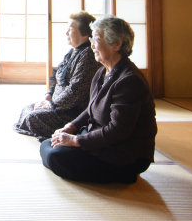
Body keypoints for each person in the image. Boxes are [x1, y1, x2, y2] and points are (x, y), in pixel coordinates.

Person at [40, 15, 157, 184]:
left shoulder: (129, 81)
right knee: (48, 144)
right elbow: (91, 108)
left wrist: (75, 140)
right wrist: (71, 127)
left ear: (117, 44)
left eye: (96, 38)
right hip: (99, 140)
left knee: (56, 157)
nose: (92, 44)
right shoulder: (102, 72)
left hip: (123, 153)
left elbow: (118, 131)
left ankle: (123, 174)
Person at [14, 11, 100, 140]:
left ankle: (66, 134)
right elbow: (58, 76)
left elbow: (76, 90)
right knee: (28, 108)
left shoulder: (88, 55)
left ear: (85, 33)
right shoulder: (73, 51)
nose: (66, 33)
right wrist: (49, 94)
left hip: (72, 112)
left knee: (33, 117)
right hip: (57, 104)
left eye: (70, 29)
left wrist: (51, 104)